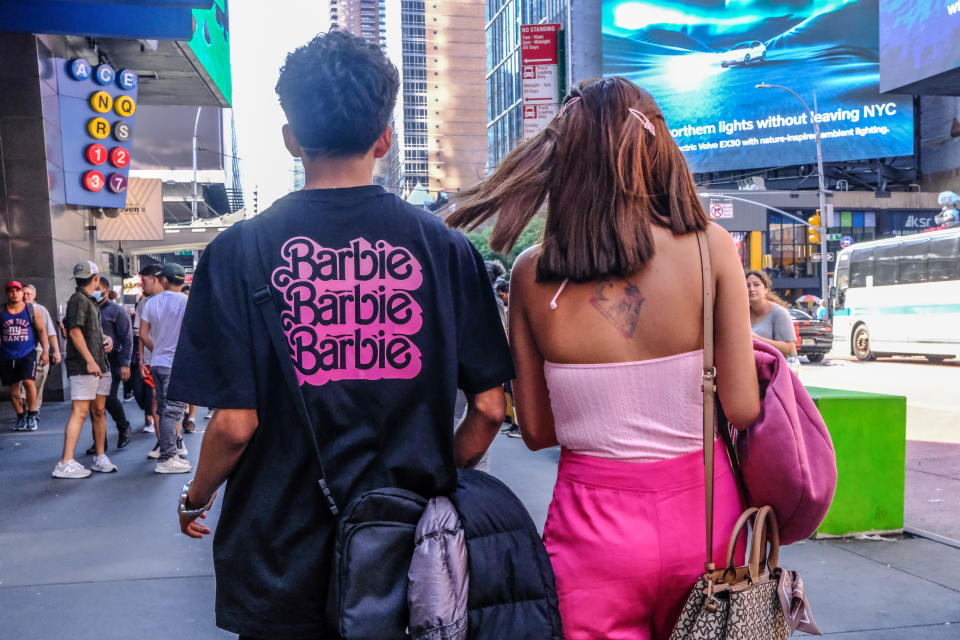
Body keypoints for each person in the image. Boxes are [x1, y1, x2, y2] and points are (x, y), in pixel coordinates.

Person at [169, 31, 512, 639]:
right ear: (384, 137)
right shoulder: (448, 251)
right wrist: (433, 479)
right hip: (405, 552)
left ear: (291, 138)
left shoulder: (234, 253)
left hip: (277, 553)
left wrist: (196, 496)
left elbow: (233, 424)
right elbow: (488, 408)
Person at [447, 77, 761, 640]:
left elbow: (538, 431)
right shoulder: (707, 246)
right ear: (655, 148)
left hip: (591, 534)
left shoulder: (531, 277)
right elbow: (739, 406)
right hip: (708, 520)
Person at [54, 262, 117, 478]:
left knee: (98, 411)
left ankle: (100, 456)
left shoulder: (88, 300)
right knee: (81, 412)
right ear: (96, 277)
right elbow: (74, 332)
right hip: (86, 366)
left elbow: (84, 332)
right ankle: (65, 462)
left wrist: (104, 339)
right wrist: (91, 360)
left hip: (98, 364)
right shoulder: (79, 299)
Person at [139, 263, 190, 474]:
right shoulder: (187, 302)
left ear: (165, 280)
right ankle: (168, 458)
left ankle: (168, 454)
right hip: (175, 365)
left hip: (158, 364)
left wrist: (158, 348)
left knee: (163, 409)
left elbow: (143, 334)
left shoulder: (151, 303)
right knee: (173, 411)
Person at [83, 275, 133, 453]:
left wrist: (125, 364)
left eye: (96, 290)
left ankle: (123, 427)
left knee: (108, 398)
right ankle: (100, 441)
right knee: (94, 403)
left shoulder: (117, 311)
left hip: (113, 362)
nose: (93, 293)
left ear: (105, 290)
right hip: (91, 361)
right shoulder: (87, 308)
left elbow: (127, 339)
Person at [2, 281, 49, 431]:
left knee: (29, 383)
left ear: (22, 293)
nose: (14, 293)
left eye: (17, 290)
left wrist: (46, 352)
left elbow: (42, 331)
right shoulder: (2, 311)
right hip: (7, 355)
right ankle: (21, 416)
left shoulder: (31, 310)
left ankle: (31, 414)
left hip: (28, 352)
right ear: (7, 294)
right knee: (14, 388)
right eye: (11, 291)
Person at [133, 265, 162, 434]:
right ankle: (164, 444)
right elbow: (141, 335)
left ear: (155, 278)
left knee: (166, 403)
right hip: (152, 361)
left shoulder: (176, 300)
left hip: (170, 360)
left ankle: (172, 442)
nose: (142, 285)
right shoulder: (143, 304)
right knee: (154, 399)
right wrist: (141, 360)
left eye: (143, 281)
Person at [745, 270, 797, 358]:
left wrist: (757, 339)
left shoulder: (779, 313)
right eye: (747, 285)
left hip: (775, 369)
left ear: (766, 289)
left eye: (756, 284)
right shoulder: (742, 313)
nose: (751, 289)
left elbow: (790, 349)